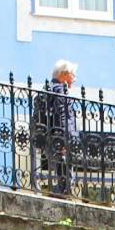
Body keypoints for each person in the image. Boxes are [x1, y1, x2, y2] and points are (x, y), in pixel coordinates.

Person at [31, 59, 79, 195]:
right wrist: (65, 140)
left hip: (47, 138)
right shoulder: (60, 91)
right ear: (64, 74)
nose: (74, 79)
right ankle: (60, 192)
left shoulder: (46, 91)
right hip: (59, 139)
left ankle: (57, 191)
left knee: (62, 174)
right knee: (68, 179)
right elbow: (63, 116)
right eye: (73, 75)